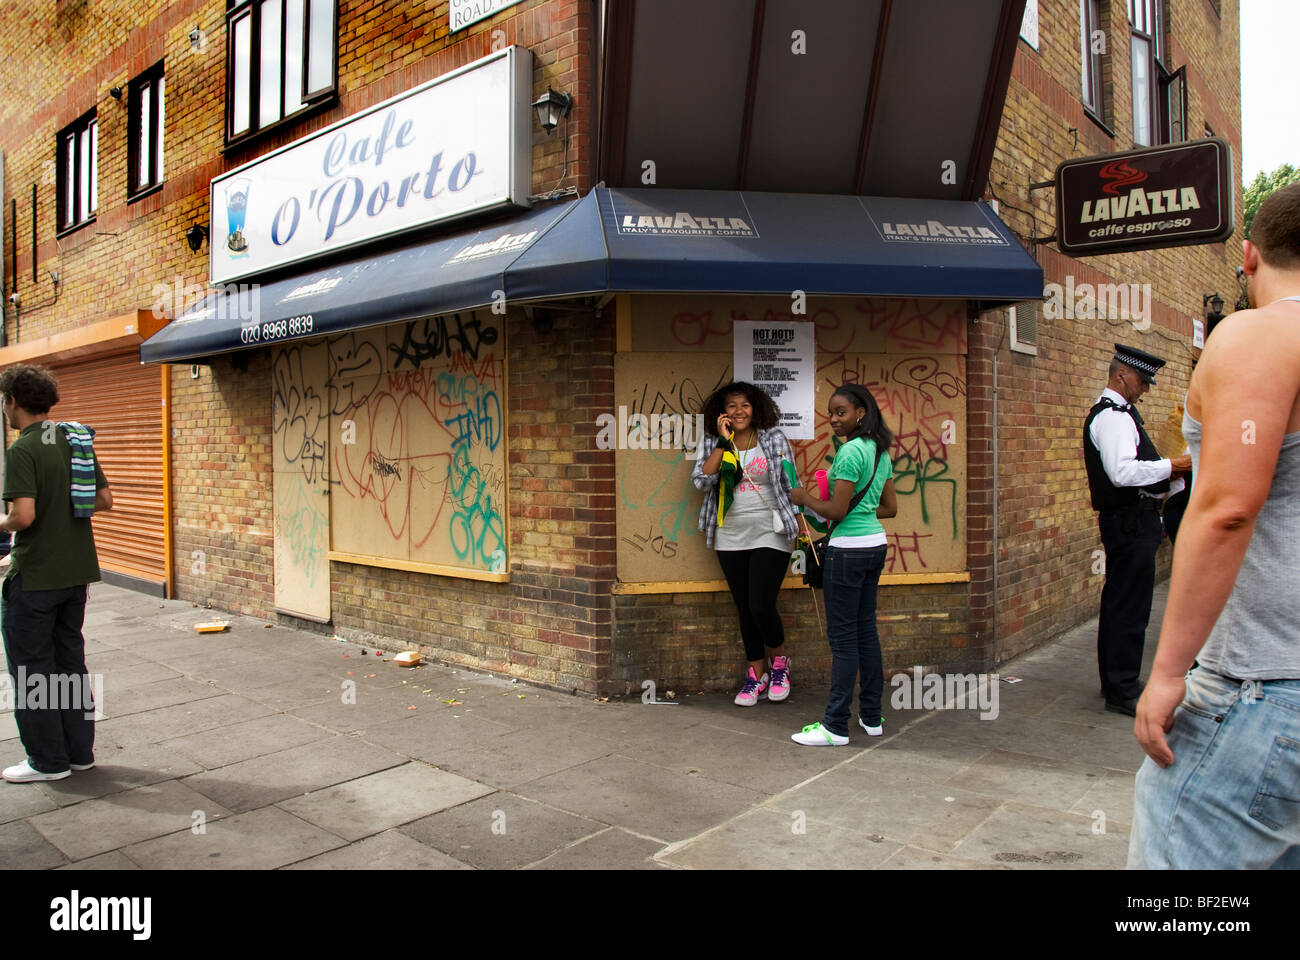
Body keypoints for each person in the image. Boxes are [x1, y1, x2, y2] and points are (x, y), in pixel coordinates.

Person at [1130, 183, 1300, 869]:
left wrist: (1168, 670)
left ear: (1251, 256)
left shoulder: (1258, 334)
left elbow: (1228, 507)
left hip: (1262, 687)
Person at [0, 363, 112, 783]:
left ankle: (47, 762)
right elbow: (104, 500)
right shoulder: (74, 439)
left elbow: (22, 517)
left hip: (36, 578)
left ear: (12, 401)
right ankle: (79, 753)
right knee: (69, 663)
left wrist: (2, 522)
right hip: (76, 572)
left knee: (32, 671)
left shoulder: (23, 449)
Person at [1083, 344, 1192, 717]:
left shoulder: (1123, 414)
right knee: (1129, 607)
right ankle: (1122, 687)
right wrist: (1171, 466)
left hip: (1134, 520)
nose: (1145, 388)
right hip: (1129, 521)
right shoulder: (1113, 417)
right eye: (1143, 381)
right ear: (1121, 376)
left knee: (1122, 604)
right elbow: (1122, 473)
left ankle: (1117, 680)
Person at [786, 384, 897, 746]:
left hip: (847, 552)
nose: (833, 419)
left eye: (841, 412)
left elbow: (834, 511)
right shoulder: (880, 452)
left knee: (844, 640)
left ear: (861, 413)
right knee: (866, 634)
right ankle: (871, 718)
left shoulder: (849, 453)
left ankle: (834, 726)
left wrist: (804, 498)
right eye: (831, 413)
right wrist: (852, 510)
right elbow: (889, 509)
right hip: (874, 546)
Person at [692, 382, 801, 706]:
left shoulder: (773, 438)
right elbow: (702, 480)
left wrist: (803, 520)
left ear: (756, 408)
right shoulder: (714, 442)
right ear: (722, 412)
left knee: (760, 604)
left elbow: (790, 481)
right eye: (732, 406)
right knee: (744, 607)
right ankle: (757, 673)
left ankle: (780, 663)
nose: (739, 412)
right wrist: (723, 443)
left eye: (745, 405)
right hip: (729, 533)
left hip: (771, 531)